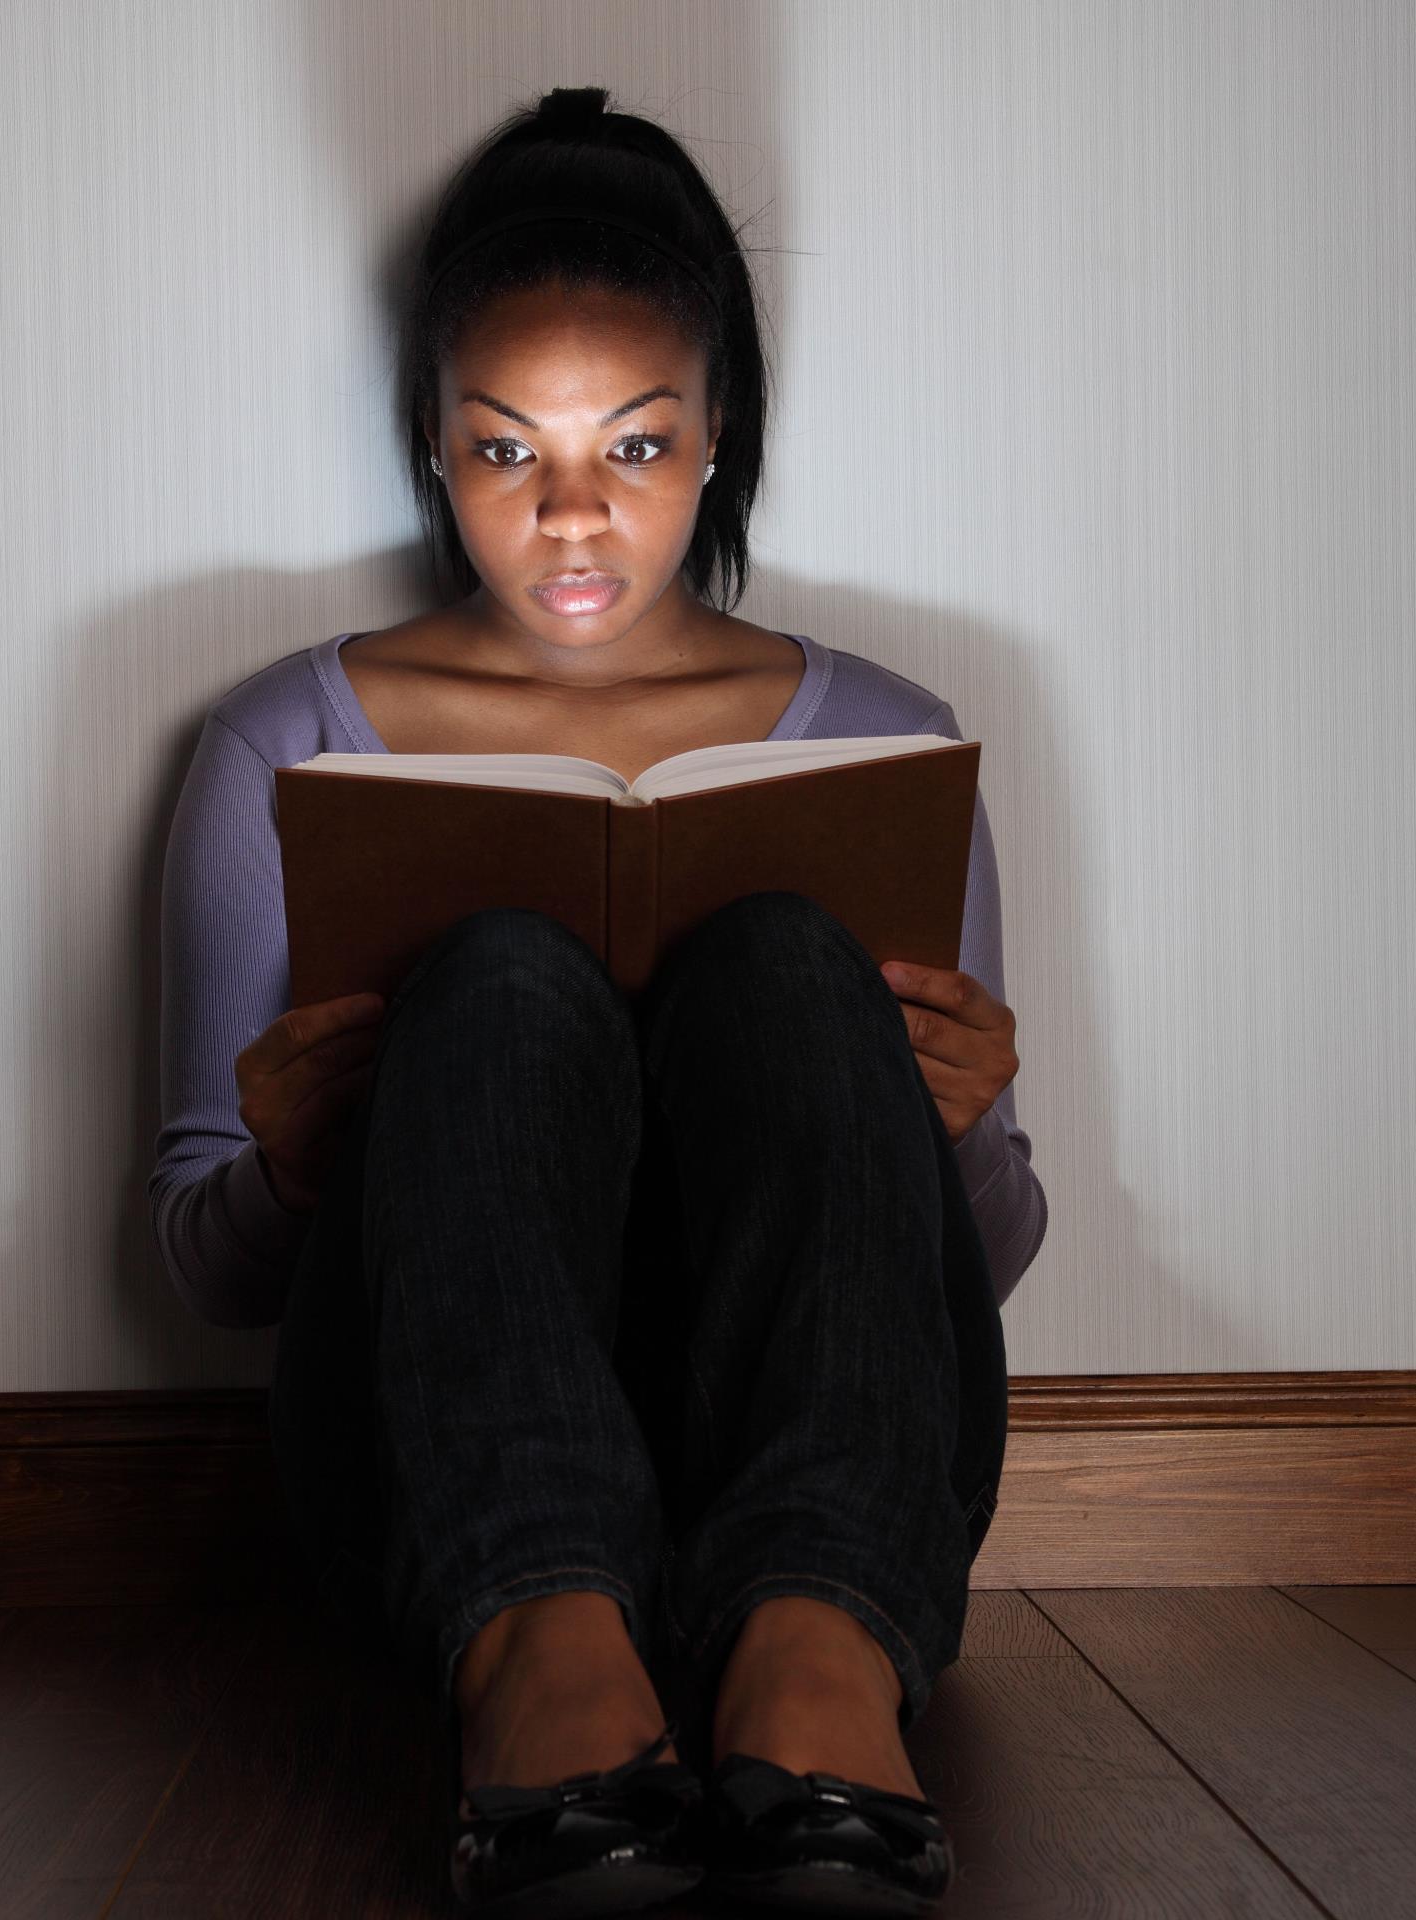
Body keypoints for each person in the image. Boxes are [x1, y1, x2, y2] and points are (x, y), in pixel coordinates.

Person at [151, 84, 1049, 1918]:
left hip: (826, 1455)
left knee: (792, 961)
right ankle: (545, 1662)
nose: (572, 519)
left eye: (635, 450)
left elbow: (991, 1249)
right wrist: (298, 1163)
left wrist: (949, 1124)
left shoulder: (884, 728)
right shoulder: (286, 738)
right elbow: (203, 1263)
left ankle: (817, 1660)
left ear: (719, 437)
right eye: (506, 452)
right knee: (490, 972)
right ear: (430, 445)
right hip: (435, 1476)